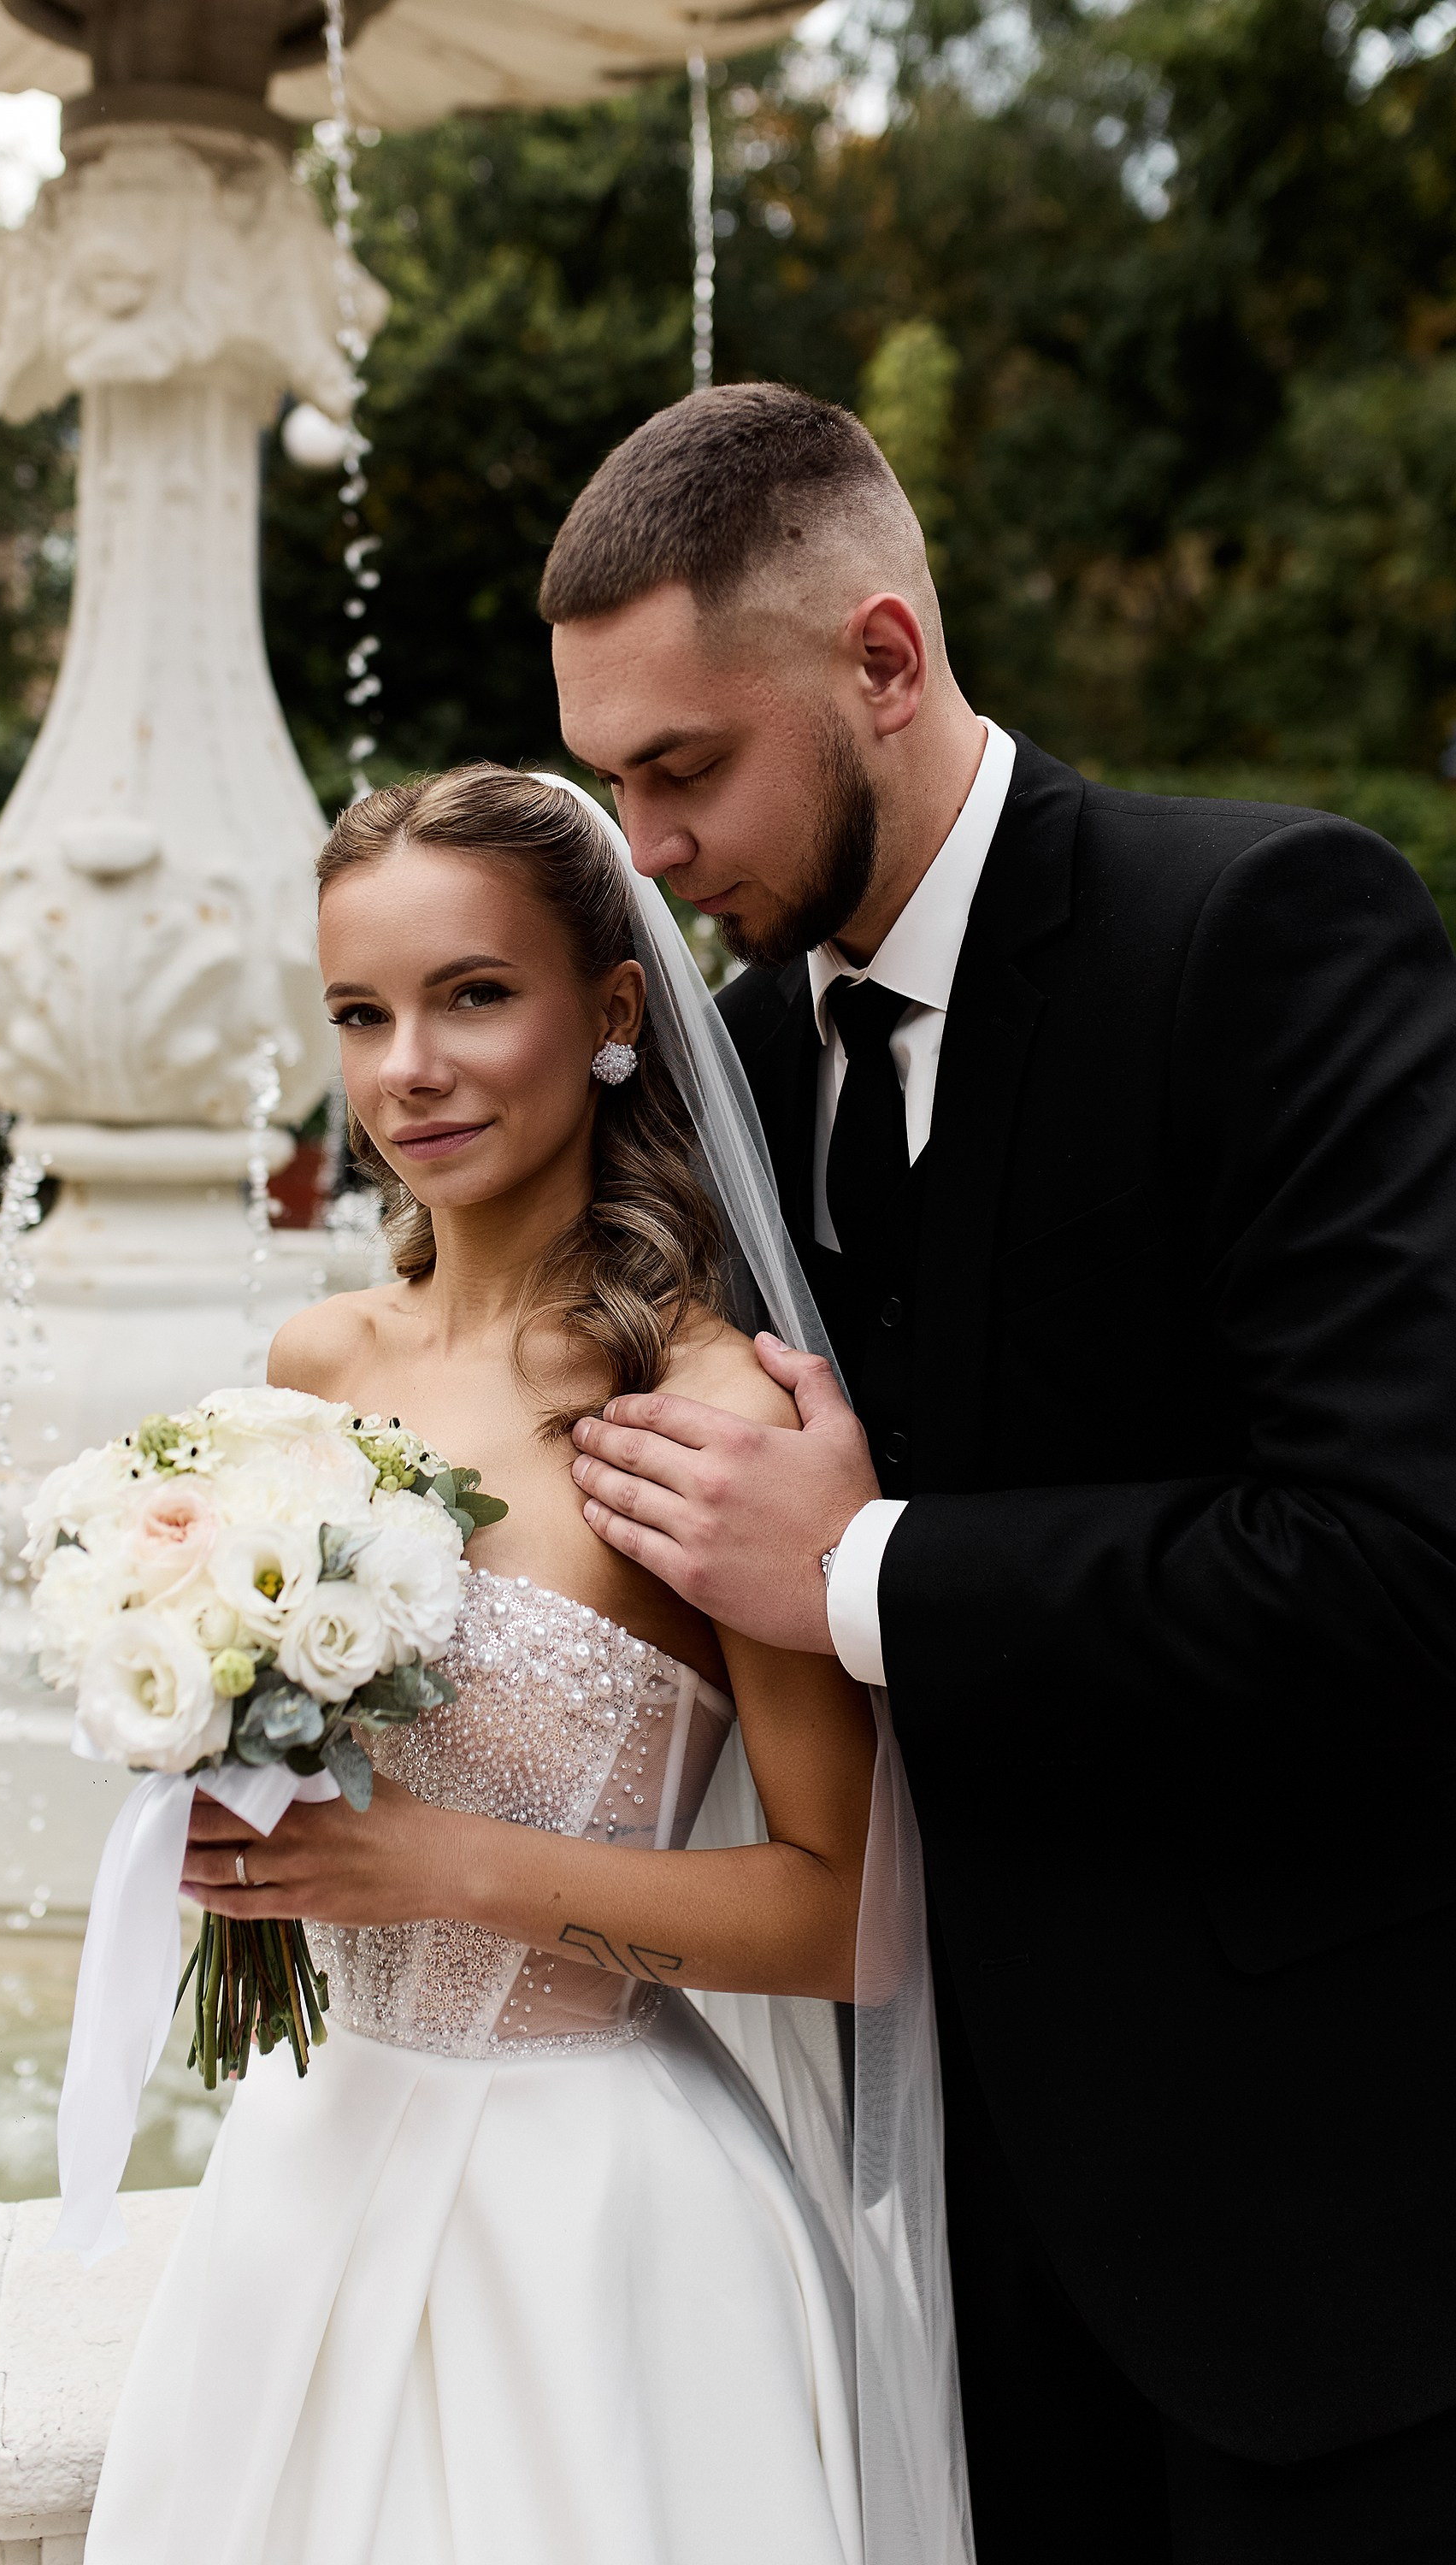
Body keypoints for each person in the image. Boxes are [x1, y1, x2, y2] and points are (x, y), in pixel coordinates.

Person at [548, 380, 1456, 2562]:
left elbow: (1395, 1569)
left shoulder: (1264, 935)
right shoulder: (746, 1058)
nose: (649, 857)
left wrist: (860, 1571)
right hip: (915, 2242)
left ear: (880, 659)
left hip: (1297, 2246)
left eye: (684, 771)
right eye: (611, 788)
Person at [85, 764, 960, 2565]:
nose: (410, 1065)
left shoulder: (699, 1409)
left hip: (587, 2230)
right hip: (301, 2175)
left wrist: (452, 1869)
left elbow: (852, 1913)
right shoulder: (310, 1363)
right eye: (361, 1012)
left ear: (612, 1012)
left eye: (473, 995)